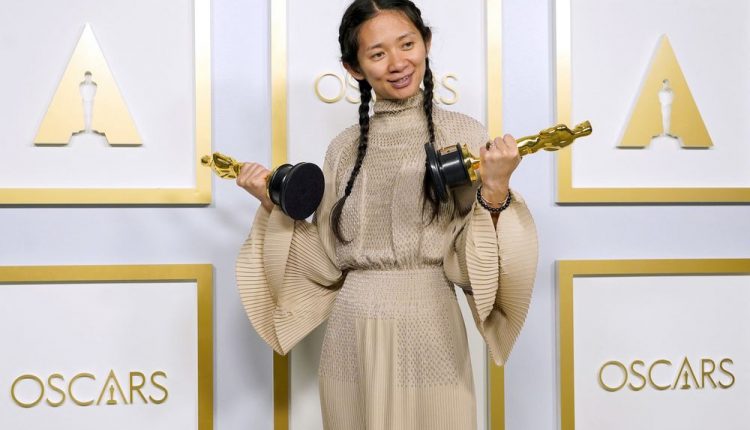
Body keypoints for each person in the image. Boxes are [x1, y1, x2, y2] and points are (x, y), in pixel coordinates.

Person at [235, 1, 538, 428]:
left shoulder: (463, 135)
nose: (397, 63)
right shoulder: (342, 149)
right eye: (377, 53)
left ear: (426, 43)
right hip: (351, 334)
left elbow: (475, 259)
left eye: (407, 44)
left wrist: (496, 188)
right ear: (354, 68)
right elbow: (323, 259)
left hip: (431, 325)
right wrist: (271, 203)